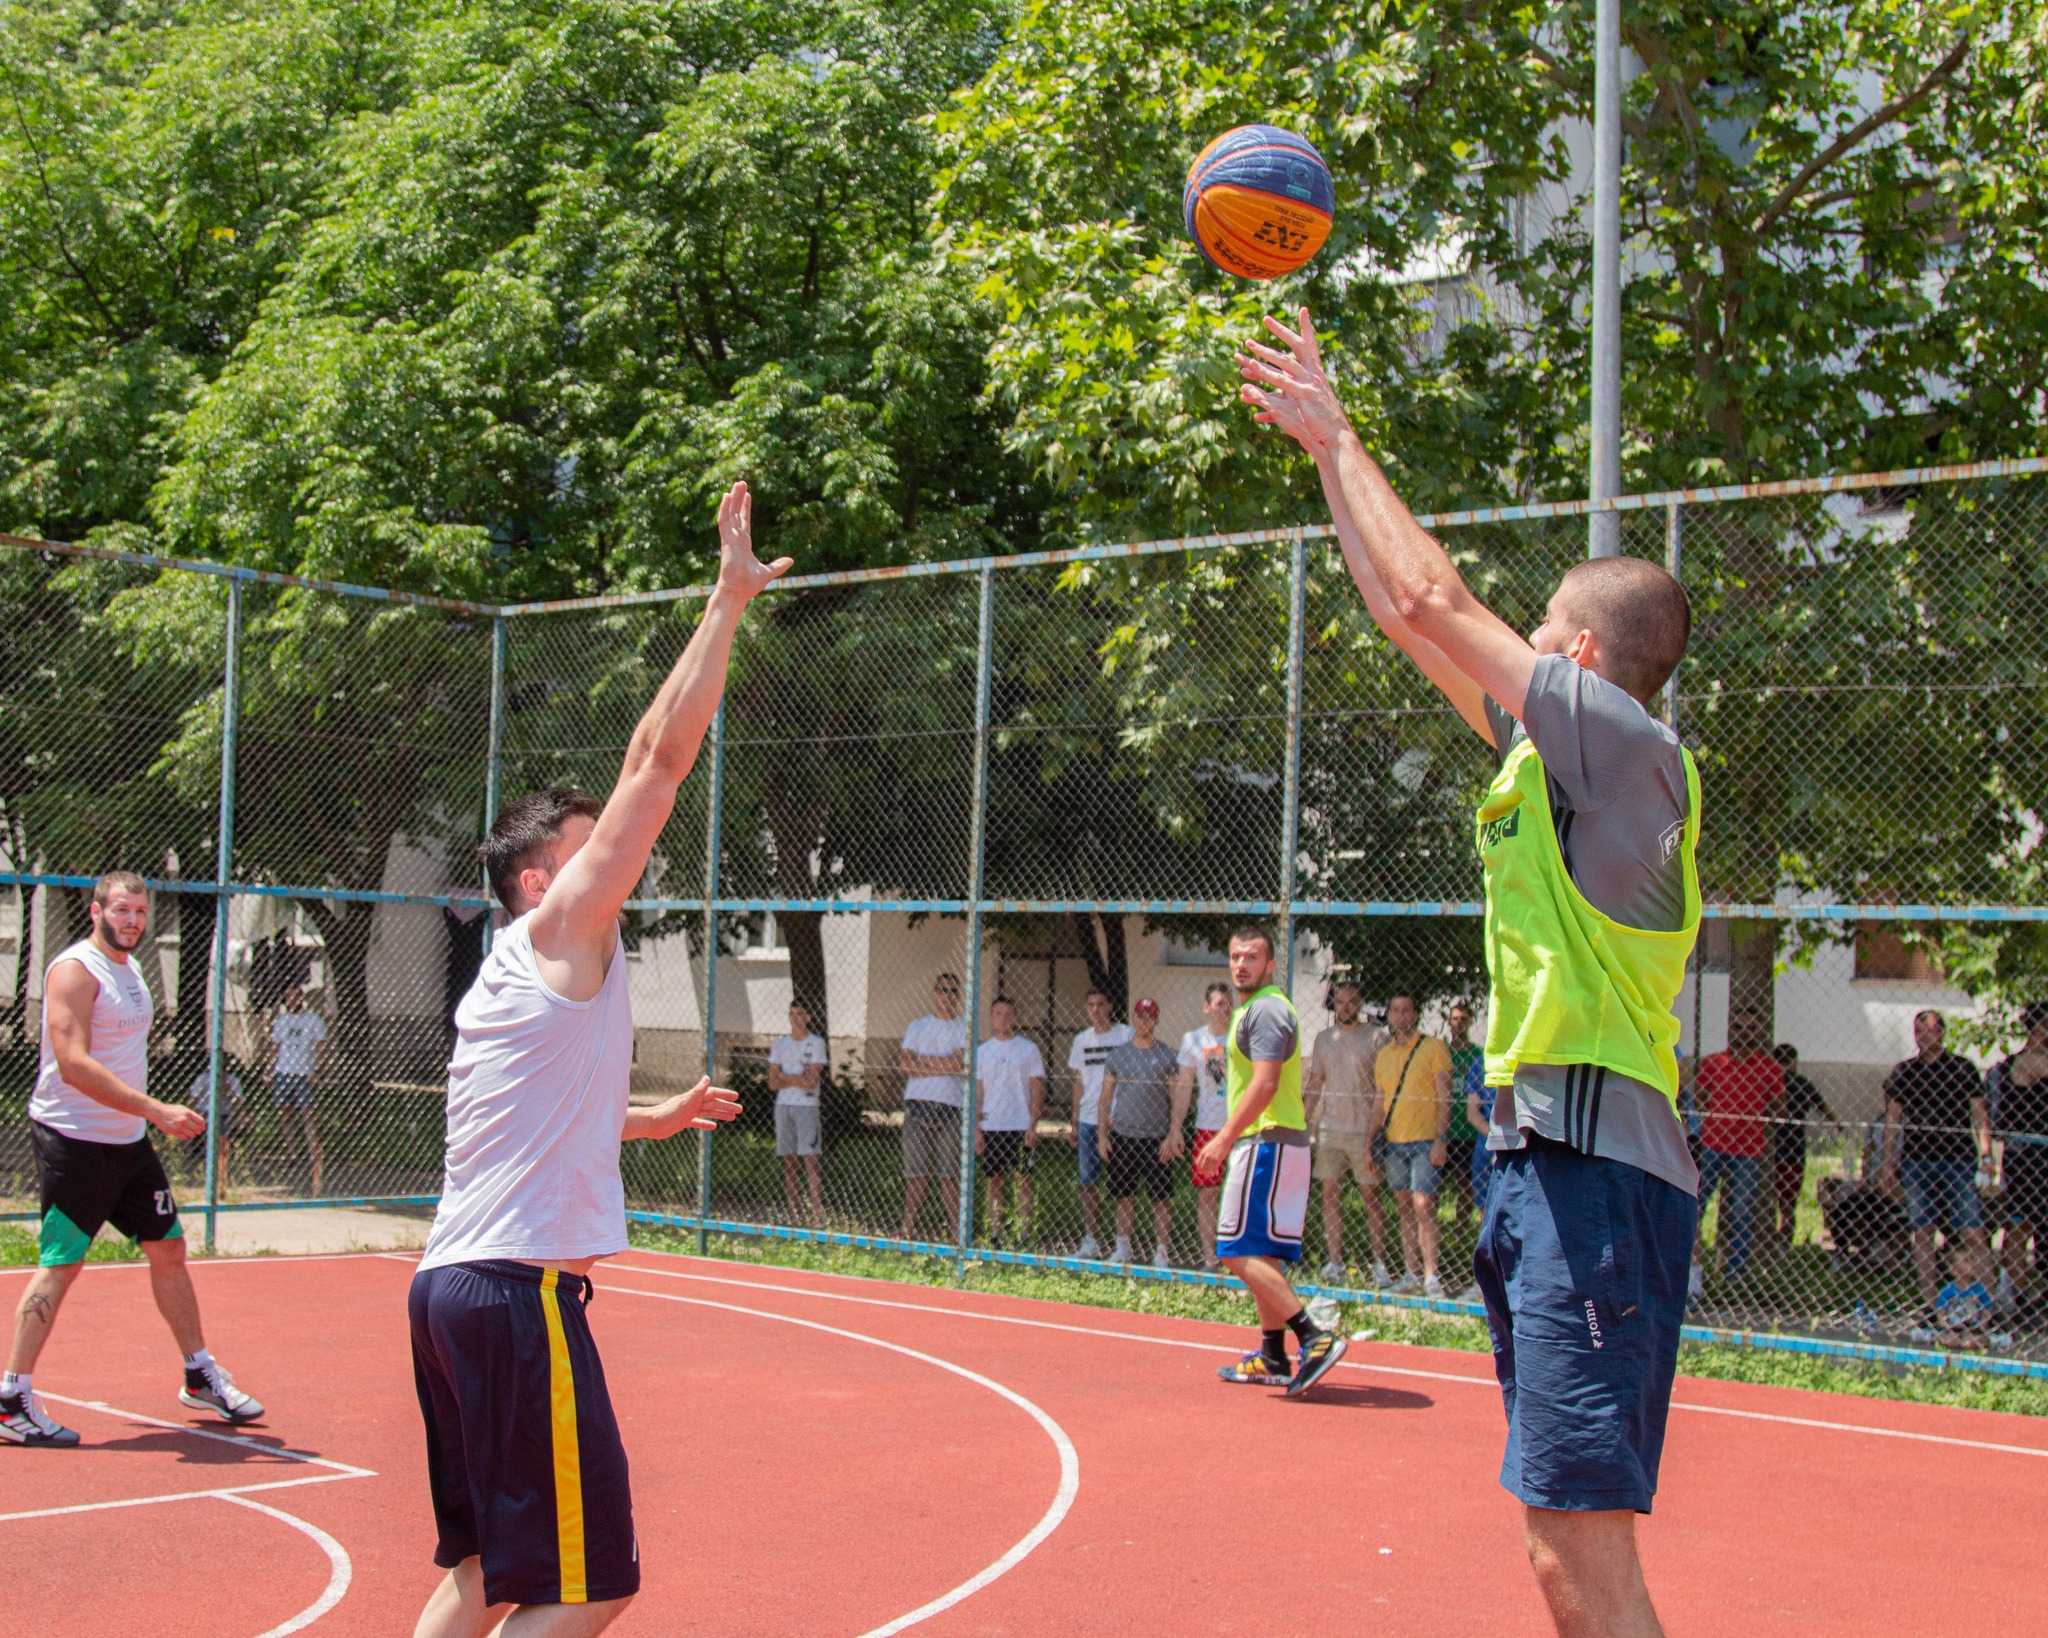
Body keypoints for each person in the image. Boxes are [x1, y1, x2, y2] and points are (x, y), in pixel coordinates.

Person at [1242, 310, 1702, 1633]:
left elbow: (1435, 598)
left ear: (1581, 658)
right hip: (1536, 1161)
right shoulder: (1540, 760)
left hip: (1594, 1167)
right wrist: (1323, 464)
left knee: (1573, 1553)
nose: (1525, 633)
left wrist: (1342, 431)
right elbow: (1404, 619)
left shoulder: (1627, 750)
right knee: (1570, 1549)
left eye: (1542, 623)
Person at [407, 480, 776, 1637]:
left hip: (449, 1286)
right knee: (592, 1583)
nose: (612, 850)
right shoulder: (560, 930)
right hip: (515, 1294)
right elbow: (656, 765)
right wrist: (723, 605)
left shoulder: (515, 980)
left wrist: (647, 1120)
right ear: (538, 880)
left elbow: (537, 1118)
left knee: (483, 1574)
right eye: (584, 845)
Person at [3, 872, 263, 1449]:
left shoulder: (132, 968)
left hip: (127, 1142)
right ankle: (11, 1398)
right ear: (97, 911)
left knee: (168, 1248)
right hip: (75, 1140)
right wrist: (155, 1110)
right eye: (122, 910)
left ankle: (199, 1375)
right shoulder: (75, 971)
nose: (133, 921)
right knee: (61, 1263)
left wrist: (142, 1118)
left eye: (141, 912)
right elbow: (73, 1063)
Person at [1201, 927, 1347, 1395]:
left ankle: (1314, 1337)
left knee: (1234, 1250)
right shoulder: (1252, 1009)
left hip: (1266, 1141)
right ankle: (1272, 1354)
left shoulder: (1266, 1009)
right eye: (1235, 957)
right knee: (1261, 1252)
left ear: (1270, 964)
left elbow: (1265, 1084)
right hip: (1275, 1143)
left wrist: (1224, 1138)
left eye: (1251, 957)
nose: (1241, 965)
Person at [1879, 1009, 1992, 1322]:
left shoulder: (1962, 1069)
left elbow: (1979, 1113)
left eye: (1929, 1030)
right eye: (1918, 1031)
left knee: (1973, 1231)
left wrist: (1986, 1154)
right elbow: (1893, 1119)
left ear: (1941, 1033)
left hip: (1958, 1160)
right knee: (1923, 1232)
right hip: (1917, 1161)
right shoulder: (1905, 1071)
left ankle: (1987, 1303)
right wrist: (1887, 1163)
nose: (1923, 1037)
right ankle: (1931, 1304)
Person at [1689, 1007, 1784, 1294]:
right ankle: (1690, 1267)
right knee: (1696, 1204)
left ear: (1759, 1032)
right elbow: (1700, 1098)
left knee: (1741, 1212)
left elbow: (1780, 1108)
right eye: (1739, 1027)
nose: (1744, 1033)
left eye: (1750, 1028)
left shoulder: (1770, 1069)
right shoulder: (1714, 1063)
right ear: (1731, 1031)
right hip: (1713, 1144)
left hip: (1748, 1149)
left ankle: (1735, 1275)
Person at [1303, 979, 1389, 1283]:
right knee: (1330, 1195)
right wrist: (1303, 1120)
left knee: (1371, 1196)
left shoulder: (1377, 1037)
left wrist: (1377, 1128)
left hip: (1364, 1130)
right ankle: (1334, 1263)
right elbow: (1315, 1083)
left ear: (1360, 1002)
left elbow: (1384, 1086)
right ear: (1334, 1004)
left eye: (1352, 1001)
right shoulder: (1324, 1039)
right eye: (1340, 1002)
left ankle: (1380, 1265)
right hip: (1330, 1129)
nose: (1346, 1007)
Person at [1373, 992, 1455, 1297]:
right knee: (1404, 1206)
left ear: (1416, 1014)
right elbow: (1379, 1101)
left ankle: (1432, 1275)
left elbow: (1445, 1096)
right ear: (1389, 1015)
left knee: (1424, 1206)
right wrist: (1370, 1139)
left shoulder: (1434, 1048)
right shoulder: (1384, 1054)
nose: (1401, 1016)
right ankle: (1411, 1273)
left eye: (1406, 1010)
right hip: (1394, 1141)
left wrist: (1441, 1139)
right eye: (1395, 1010)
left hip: (1425, 1141)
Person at [1097, 998, 1186, 1267]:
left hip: (1156, 1137)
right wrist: (1102, 1136)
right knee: (1123, 1196)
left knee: (1161, 1199)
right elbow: (1105, 1097)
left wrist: (1172, 1134)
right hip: (1124, 1135)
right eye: (1139, 1016)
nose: (1143, 1021)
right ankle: (1123, 1249)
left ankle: (1162, 1253)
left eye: (1149, 1016)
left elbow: (1176, 1097)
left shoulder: (1168, 1055)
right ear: (1133, 1018)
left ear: (1156, 1020)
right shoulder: (1118, 1055)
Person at [899, 974, 969, 1240]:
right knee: (916, 1175)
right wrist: (945, 1064)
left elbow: (959, 1064)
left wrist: (924, 1061)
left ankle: (956, 1231)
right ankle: (906, 1227)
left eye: (953, 991)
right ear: (934, 992)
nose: (947, 996)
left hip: (950, 1110)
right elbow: (905, 1065)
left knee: (949, 1175)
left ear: (958, 996)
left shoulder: (964, 1027)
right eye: (943, 990)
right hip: (917, 1108)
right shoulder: (917, 1026)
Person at [975, 997, 1047, 1246]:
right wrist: (977, 1129)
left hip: (1019, 1125)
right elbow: (978, 1091)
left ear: (1015, 1018)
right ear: (991, 1017)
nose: (1002, 1018)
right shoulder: (982, 1051)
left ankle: (1024, 1232)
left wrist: (1032, 1125)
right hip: (992, 1125)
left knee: (1023, 1179)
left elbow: (1036, 1088)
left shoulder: (1028, 1049)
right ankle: (995, 1231)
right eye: (997, 1013)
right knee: (994, 1179)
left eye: (1007, 1014)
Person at [1066, 989, 1131, 1259]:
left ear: (1110, 1006)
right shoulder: (1081, 1040)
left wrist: (1121, 1111)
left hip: (1118, 1120)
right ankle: (1090, 1240)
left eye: (1101, 1004)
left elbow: (1130, 1077)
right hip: (1088, 1120)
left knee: (1120, 1184)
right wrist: (1074, 1120)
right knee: (1088, 1182)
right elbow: (1079, 1082)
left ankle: (1122, 1244)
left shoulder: (1125, 1035)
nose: (1096, 1010)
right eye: (1091, 1005)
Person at [1175, 981, 1234, 1268]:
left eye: (1228, 1003)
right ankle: (1210, 1257)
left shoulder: (1242, 1037)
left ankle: (1238, 1257)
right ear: (1206, 1007)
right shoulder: (1193, 1040)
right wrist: (1176, 1127)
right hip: (1208, 1127)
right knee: (1208, 1194)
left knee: (1240, 1194)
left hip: (1240, 1126)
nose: (1224, 1009)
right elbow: (1184, 1086)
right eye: (1219, 1004)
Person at [1994, 1004, 2048, 1318]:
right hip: (2028, 1157)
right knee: (2021, 1223)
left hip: (2041, 1154)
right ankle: (2011, 1293)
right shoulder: (2027, 1060)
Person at [769, 999, 828, 1226]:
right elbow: (772, 1083)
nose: (795, 1018)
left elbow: (811, 1082)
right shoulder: (780, 1044)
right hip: (784, 1105)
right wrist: (796, 1079)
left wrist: (785, 1076)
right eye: (792, 1014)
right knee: (789, 1160)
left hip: (807, 1106)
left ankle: (816, 1215)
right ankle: (795, 1214)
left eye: (800, 1014)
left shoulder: (816, 1043)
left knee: (811, 1159)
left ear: (808, 1017)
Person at [268, 984, 329, 1195]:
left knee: (308, 1113)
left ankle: (314, 1154)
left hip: (304, 1072)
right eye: (288, 997)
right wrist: (269, 1070)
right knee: (285, 1112)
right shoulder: (281, 1021)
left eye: (295, 997)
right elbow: (275, 1047)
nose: (291, 1001)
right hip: (283, 1071)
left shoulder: (313, 1020)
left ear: (301, 998)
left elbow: (321, 1047)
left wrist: (317, 1070)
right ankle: (292, 1153)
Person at [1770, 1042, 1829, 1248]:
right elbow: (1824, 1110)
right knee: (1788, 1203)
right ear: (1794, 1061)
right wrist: (1837, 1126)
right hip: (1795, 1148)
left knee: (1768, 1199)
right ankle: (1785, 1244)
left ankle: (1770, 1242)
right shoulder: (1803, 1083)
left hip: (1772, 1147)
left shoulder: (1771, 1081)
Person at [1445, 999, 1486, 1224]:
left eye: (1463, 1019)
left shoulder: (1478, 1056)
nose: (1459, 1023)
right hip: (1444, 1129)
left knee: (1466, 1184)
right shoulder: (1442, 1053)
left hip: (1468, 1130)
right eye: (1455, 1019)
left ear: (1470, 1022)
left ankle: (1460, 1230)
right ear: (1448, 1022)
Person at [184, 1061, 246, 1175]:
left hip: (225, 1115)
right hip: (204, 1114)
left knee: (224, 1128)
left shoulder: (232, 1081)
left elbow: (240, 1106)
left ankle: (222, 1166)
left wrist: (228, 1091)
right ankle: (196, 1164)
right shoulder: (203, 1079)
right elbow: (192, 1101)